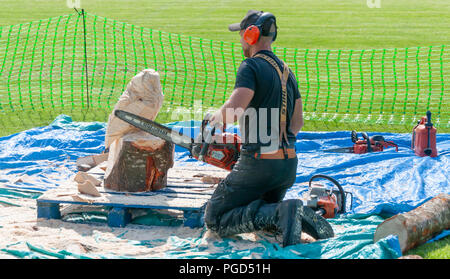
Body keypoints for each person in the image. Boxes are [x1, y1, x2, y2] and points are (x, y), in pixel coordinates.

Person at [203, 10, 334, 247]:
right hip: (287, 166)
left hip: (259, 164)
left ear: (251, 35)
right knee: (258, 213)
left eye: (242, 34)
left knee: (215, 219)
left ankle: (280, 213)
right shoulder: (287, 71)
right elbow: (297, 123)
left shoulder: (250, 66)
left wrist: (212, 123)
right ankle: (292, 214)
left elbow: (236, 107)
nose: (240, 39)